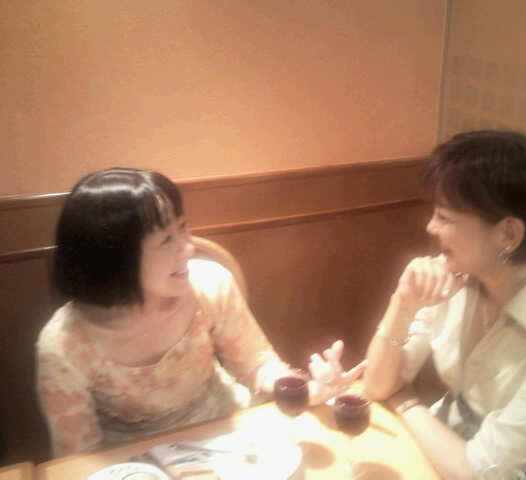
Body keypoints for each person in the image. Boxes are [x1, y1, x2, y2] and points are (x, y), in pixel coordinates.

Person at [37, 167, 363, 457]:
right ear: (114, 257)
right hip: (136, 462)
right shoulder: (64, 344)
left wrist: (307, 389)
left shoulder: (209, 285)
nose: (188, 248)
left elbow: (256, 365)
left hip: (228, 433)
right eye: (167, 240)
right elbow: (78, 459)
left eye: (183, 227)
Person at [363, 130, 526, 480]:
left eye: (444, 217)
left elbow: (484, 472)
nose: (430, 227)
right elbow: (377, 385)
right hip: (442, 451)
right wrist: (402, 302)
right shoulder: (457, 277)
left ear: (508, 235)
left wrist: (406, 402)